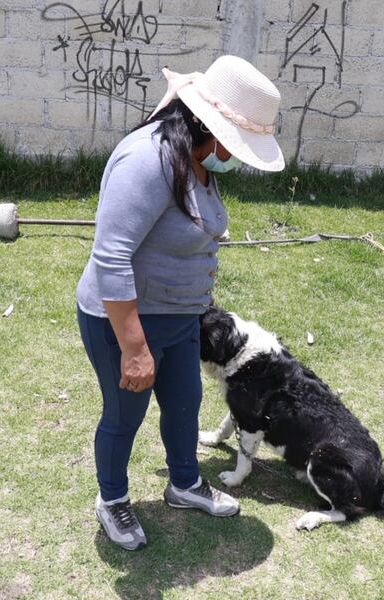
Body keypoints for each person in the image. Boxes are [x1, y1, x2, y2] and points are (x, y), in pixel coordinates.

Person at [75, 55, 285, 551]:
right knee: (124, 415)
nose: (235, 159)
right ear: (207, 127)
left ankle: (185, 484)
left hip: (179, 315)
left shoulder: (195, 155)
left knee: (185, 402)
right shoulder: (147, 160)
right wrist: (134, 348)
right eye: (236, 146)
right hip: (126, 318)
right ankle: (112, 499)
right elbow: (111, 256)